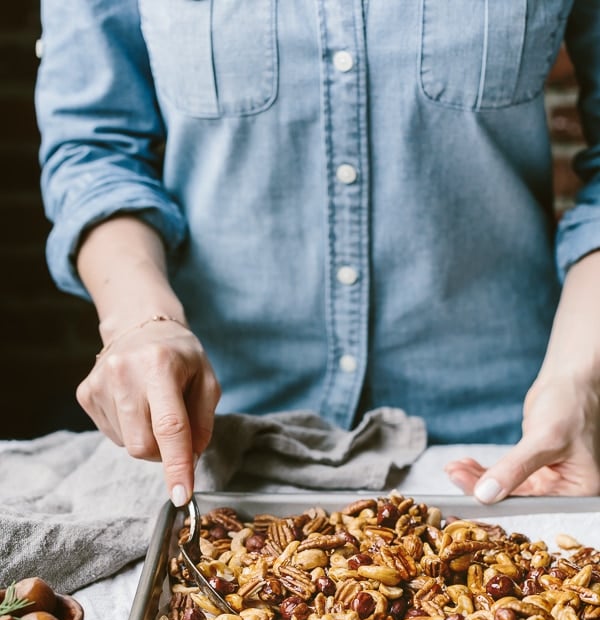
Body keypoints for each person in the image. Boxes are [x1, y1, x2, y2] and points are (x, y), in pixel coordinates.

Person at [35, 1, 600, 508]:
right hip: (225, 437)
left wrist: (580, 378)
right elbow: (96, 149)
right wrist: (141, 322)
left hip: (508, 440)